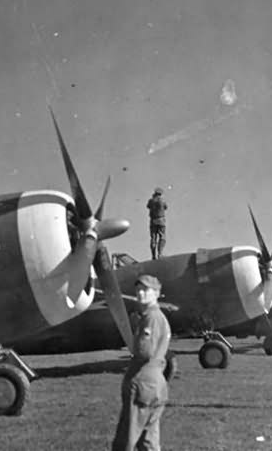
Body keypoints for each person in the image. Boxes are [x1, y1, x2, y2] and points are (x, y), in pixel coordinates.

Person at [112, 274, 172, 451]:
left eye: (146, 290)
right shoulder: (160, 317)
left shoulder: (150, 318)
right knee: (149, 441)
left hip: (142, 383)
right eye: (138, 289)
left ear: (156, 293)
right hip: (157, 384)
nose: (140, 293)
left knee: (126, 440)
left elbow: (143, 352)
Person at [146, 187, 167, 260]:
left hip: (153, 221)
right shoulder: (162, 200)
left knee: (153, 238)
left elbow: (148, 206)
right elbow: (165, 207)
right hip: (161, 220)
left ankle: (153, 255)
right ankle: (160, 254)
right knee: (162, 237)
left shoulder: (151, 201)